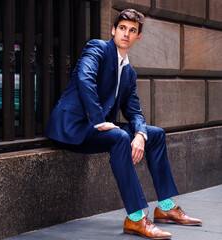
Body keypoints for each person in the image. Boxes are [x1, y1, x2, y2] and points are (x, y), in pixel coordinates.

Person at [45, 9, 202, 239]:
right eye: (122, 28)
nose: (126, 34)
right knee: (120, 137)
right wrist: (99, 121)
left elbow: (135, 111)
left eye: (132, 30)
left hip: (99, 128)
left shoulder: (128, 73)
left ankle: (166, 208)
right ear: (113, 30)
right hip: (74, 127)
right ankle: (136, 218)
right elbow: (85, 79)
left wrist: (140, 133)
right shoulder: (97, 48)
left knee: (155, 134)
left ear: (138, 37)